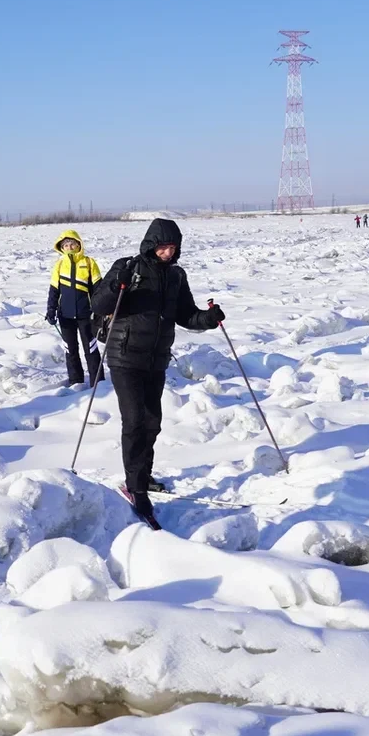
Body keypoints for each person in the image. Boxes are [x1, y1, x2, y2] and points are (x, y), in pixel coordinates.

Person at [91, 218, 223, 530]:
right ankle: (135, 487)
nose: (167, 252)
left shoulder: (176, 275)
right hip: (124, 356)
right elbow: (98, 303)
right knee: (135, 420)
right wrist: (116, 283)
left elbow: (186, 314)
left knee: (152, 422)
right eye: (162, 246)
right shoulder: (129, 268)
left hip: (156, 358)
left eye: (172, 247)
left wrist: (208, 318)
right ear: (151, 244)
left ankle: (143, 476)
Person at [45, 230, 103, 387]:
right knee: (70, 351)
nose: (69, 247)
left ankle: (98, 383)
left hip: (86, 315)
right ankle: (75, 382)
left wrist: (100, 312)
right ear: (61, 248)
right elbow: (54, 290)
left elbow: (98, 290)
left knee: (91, 349)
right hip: (65, 316)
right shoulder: (59, 265)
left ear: (79, 244)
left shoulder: (89, 263)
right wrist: (51, 310)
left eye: (72, 244)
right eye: (65, 245)